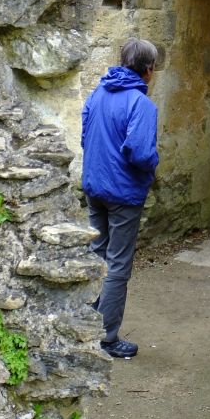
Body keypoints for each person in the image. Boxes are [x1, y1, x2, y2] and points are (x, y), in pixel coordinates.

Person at [81, 37, 159, 359]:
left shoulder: (98, 93)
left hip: (94, 186)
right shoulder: (141, 104)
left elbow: (85, 135)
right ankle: (107, 338)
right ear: (149, 70)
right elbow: (140, 152)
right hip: (123, 193)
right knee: (117, 265)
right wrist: (154, 164)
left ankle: (83, 324)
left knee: (96, 255)